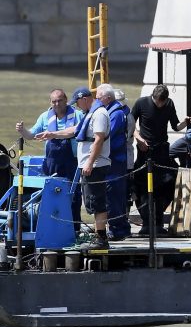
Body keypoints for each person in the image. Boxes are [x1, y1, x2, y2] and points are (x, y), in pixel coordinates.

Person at [16, 86, 81, 234]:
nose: (57, 104)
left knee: (73, 195)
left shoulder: (77, 115)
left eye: (60, 100)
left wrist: (53, 134)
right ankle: (50, 228)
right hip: (51, 162)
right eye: (54, 101)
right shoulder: (45, 116)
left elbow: (77, 131)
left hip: (71, 162)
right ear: (50, 102)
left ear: (66, 100)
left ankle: (74, 229)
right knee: (49, 195)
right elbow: (31, 135)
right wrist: (22, 130)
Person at [131, 84, 191, 234]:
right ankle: (147, 222)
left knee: (169, 181)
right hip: (145, 151)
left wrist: (186, 122)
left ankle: (158, 219)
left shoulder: (169, 104)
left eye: (162, 102)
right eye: (158, 102)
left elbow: (176, 126)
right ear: (153, 97)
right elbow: (130, 124)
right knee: (143, 186)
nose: (160, 105)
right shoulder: (141, 103)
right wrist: (139, 139)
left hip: (162, 151)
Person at [71, 85, 111, 250]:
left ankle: (101, 238)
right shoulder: (89, 113)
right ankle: (98, 235)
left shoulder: (99, 114)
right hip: (90, 164)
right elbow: (75, 130)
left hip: (95, 165)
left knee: (97, 201)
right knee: (92, 202)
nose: (76, 106)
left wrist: (89, 162)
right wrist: (52, 134)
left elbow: (99, 139)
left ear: (85, 99)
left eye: (77, 102)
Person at [97, 84, 131, 240]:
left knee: (114, 197)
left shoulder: (116, 114)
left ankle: (118, 229)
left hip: (115, 162)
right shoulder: (115, 112)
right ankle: (120, 228)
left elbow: (106, 135)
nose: (97, 99)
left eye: (99, 97)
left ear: (108, 98)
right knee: (113, 196)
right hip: (114, 161)